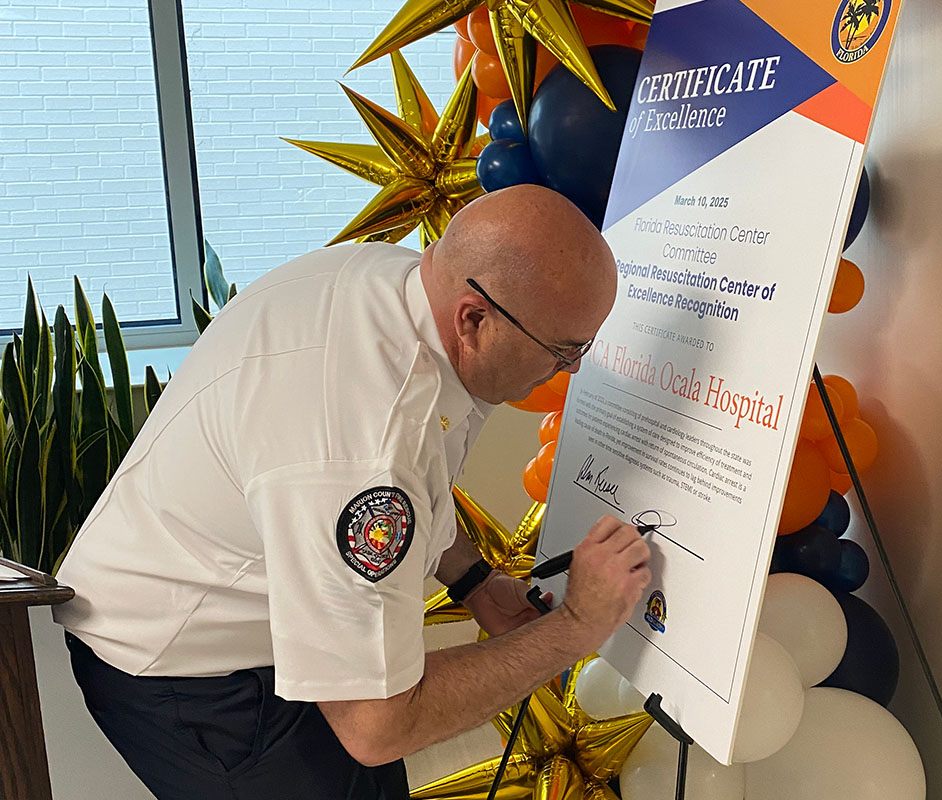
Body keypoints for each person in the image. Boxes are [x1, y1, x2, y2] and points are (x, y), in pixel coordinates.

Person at [53, 184, 652, 799]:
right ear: (474, 320)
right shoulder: (364, 446)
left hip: (236, 607)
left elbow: (418, 482)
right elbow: (379, 723)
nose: (573, 369)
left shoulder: (405, 282)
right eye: (563, 349)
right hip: (188, 674)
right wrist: (578, 625)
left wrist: (476, 582)